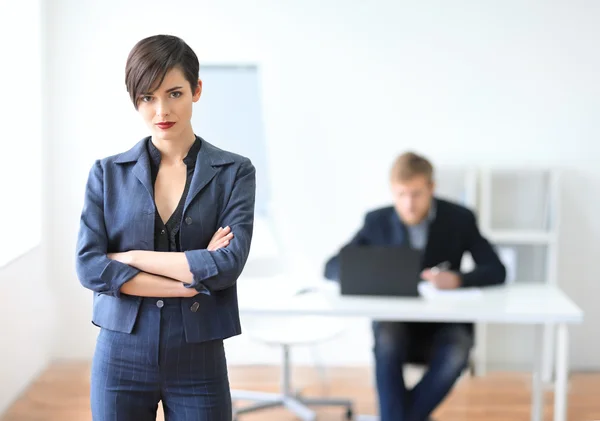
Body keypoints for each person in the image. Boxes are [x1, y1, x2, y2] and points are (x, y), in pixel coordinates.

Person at [75, 34, 256, 421]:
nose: (161, 110)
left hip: (199, 359)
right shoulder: (107, 174)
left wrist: (132, 258)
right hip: (120, 356)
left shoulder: (235, 172)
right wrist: (190, 278)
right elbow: (89, 266)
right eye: (147, 98)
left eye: (174, 93)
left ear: (197, 90)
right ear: (135, 100)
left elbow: (228, 265)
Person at [324, 152, 505, 421]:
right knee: (386, 336)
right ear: (392, 192)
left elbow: (496, 269)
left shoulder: (459, 219)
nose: (408, 204)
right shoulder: (377, 221)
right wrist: (368, 274)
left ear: (431, 188)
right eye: (401, 194)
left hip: (445, 322)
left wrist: (459, 279)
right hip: (397, 323)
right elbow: (332, 266)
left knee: (458, 349)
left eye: (416, 194)